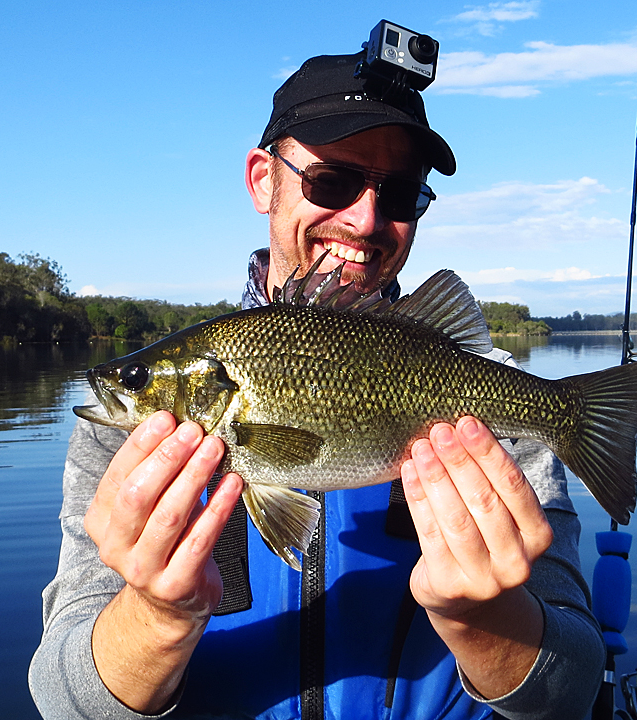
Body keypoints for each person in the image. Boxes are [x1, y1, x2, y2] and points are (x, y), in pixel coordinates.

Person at [30, 50, 605, 720]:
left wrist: (487, 619)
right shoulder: (128, 443)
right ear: (262, 180)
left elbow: (575, 687)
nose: (365, 221)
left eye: (400, 195)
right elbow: (61, 703)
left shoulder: (494, 411)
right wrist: (156, 615)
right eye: (332, 181)